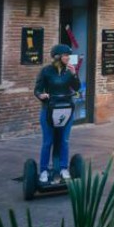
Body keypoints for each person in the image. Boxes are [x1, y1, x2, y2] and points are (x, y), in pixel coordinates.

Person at [34, 44, 81, 183]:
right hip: (49, 111)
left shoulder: (69, 71)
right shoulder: (46, 71)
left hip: (66, 110)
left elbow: (77, 87)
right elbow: (37, 90)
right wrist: (41, 95)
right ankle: (43, 170)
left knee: (64, 141)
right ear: (58, 57)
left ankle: (63, 168)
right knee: (48, 142)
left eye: (69, 55)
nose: (68, 58)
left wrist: (74, 74)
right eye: (66, 55)